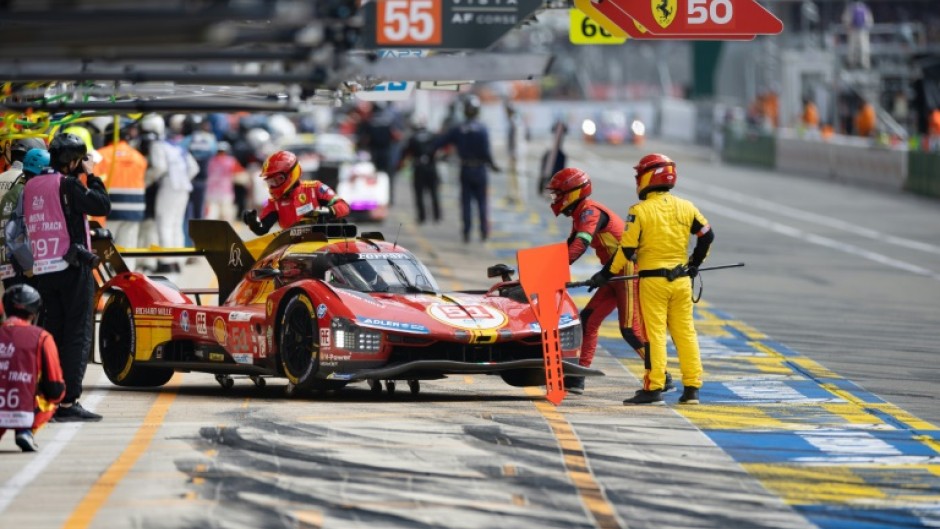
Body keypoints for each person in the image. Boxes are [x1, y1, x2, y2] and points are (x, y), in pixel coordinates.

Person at [591, 154, 714, 405]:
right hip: (681, 281)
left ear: (648, 178)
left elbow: (625, 250)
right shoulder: (687, 207)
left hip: (653, 283)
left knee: (655, 335)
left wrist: (605, 275)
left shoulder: (639, 211)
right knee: (685, 333)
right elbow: (707, 236)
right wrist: (694, 264)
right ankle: (692, 389)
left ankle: (654, 388)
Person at [547, 168, 675, 396]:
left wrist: (549, 272)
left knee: (630, 330)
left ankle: (662, 375)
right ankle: (578, 376)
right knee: (587, 320)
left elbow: (579, 246)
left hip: (626, 268)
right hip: (612, 272)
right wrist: (546, 270)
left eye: (558, 194)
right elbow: (569, 246)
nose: (555, 199)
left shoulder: (589, 213)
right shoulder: (581, 213)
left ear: (572, 193)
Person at [18, 132, 110, 420]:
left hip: (43, 269)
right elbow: (100, 205)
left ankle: (50, 398)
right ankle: (68, 402)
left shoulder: (32, 185)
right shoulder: (68, 184)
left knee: (53, 334)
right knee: (77, 336)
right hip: (71, 268)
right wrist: (92, 177)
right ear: (73, 161)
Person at [0, 284, 65, 452]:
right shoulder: (42, 337)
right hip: (23, 411)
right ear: (34, 311)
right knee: (55, 395)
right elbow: (55, 387)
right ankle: (25, 431)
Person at [434, 95, 500, 244]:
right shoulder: (483, 129)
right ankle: (483, 233)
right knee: (482, 203)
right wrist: (493, 165)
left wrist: (435, 154)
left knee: (466, 203)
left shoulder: (458, 129)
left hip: (465, 169)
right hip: (480, 170)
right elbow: (486, 151)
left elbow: (440, 142)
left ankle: (466, 233)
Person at [242, 150, 350, 235]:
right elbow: (262, 228)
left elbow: (344, 206)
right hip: (294, 250)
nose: (273, 185)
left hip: (323, 243)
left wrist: (327, 211)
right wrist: (253, 222)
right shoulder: (274, 203)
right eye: (271, 181)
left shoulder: (315, 188)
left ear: (291, 174)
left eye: (277, 179)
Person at [94, 122, 148, 269]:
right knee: (127, 249)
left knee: (104, 249)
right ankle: (127, 284)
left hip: (110, 209)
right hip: (134, 209)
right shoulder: (138, 157)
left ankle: (103, 282)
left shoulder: (101, 155)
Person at [2, 147, 50, 289]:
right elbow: (15, 235)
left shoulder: (17, 190)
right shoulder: (28, 193)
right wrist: (30, 267)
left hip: (11, 263)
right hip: (24, 266)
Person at [398, 118, 441, 224]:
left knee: (419, 194)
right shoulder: (432, 135)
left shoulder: (412, 138)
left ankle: (422, 217)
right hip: (431, 167)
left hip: (419, 168)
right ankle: (437, 216)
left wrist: (400, 165)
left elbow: (405, 153)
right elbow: (438, 148)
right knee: (434, 192)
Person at [204, 141, 246, 222]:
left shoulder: (210, 161)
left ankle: (210, 232)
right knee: (225, 216)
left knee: (212, 215)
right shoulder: (230, 161)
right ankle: (224, 233)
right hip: (224, 192)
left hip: (212, 192)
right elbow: (241, 175)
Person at [505, 102, 528, 204]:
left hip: (516, 152)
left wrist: (514, 153)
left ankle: (520, 196)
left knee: (517, 175)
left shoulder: (514, 121)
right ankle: (514, 195)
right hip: (516, 152)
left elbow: (515, 139)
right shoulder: (515, 120)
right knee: (513, 175)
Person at [842, 1, 873, 69]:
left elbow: (869, 20)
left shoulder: (865, 8)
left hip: (862, 31)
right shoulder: (851, 8)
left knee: (864, 48)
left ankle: (864, 64)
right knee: (852, 48)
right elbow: (846, 18)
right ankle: (852, 63)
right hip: (853, 30)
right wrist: (848, 26)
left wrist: (867, 26)